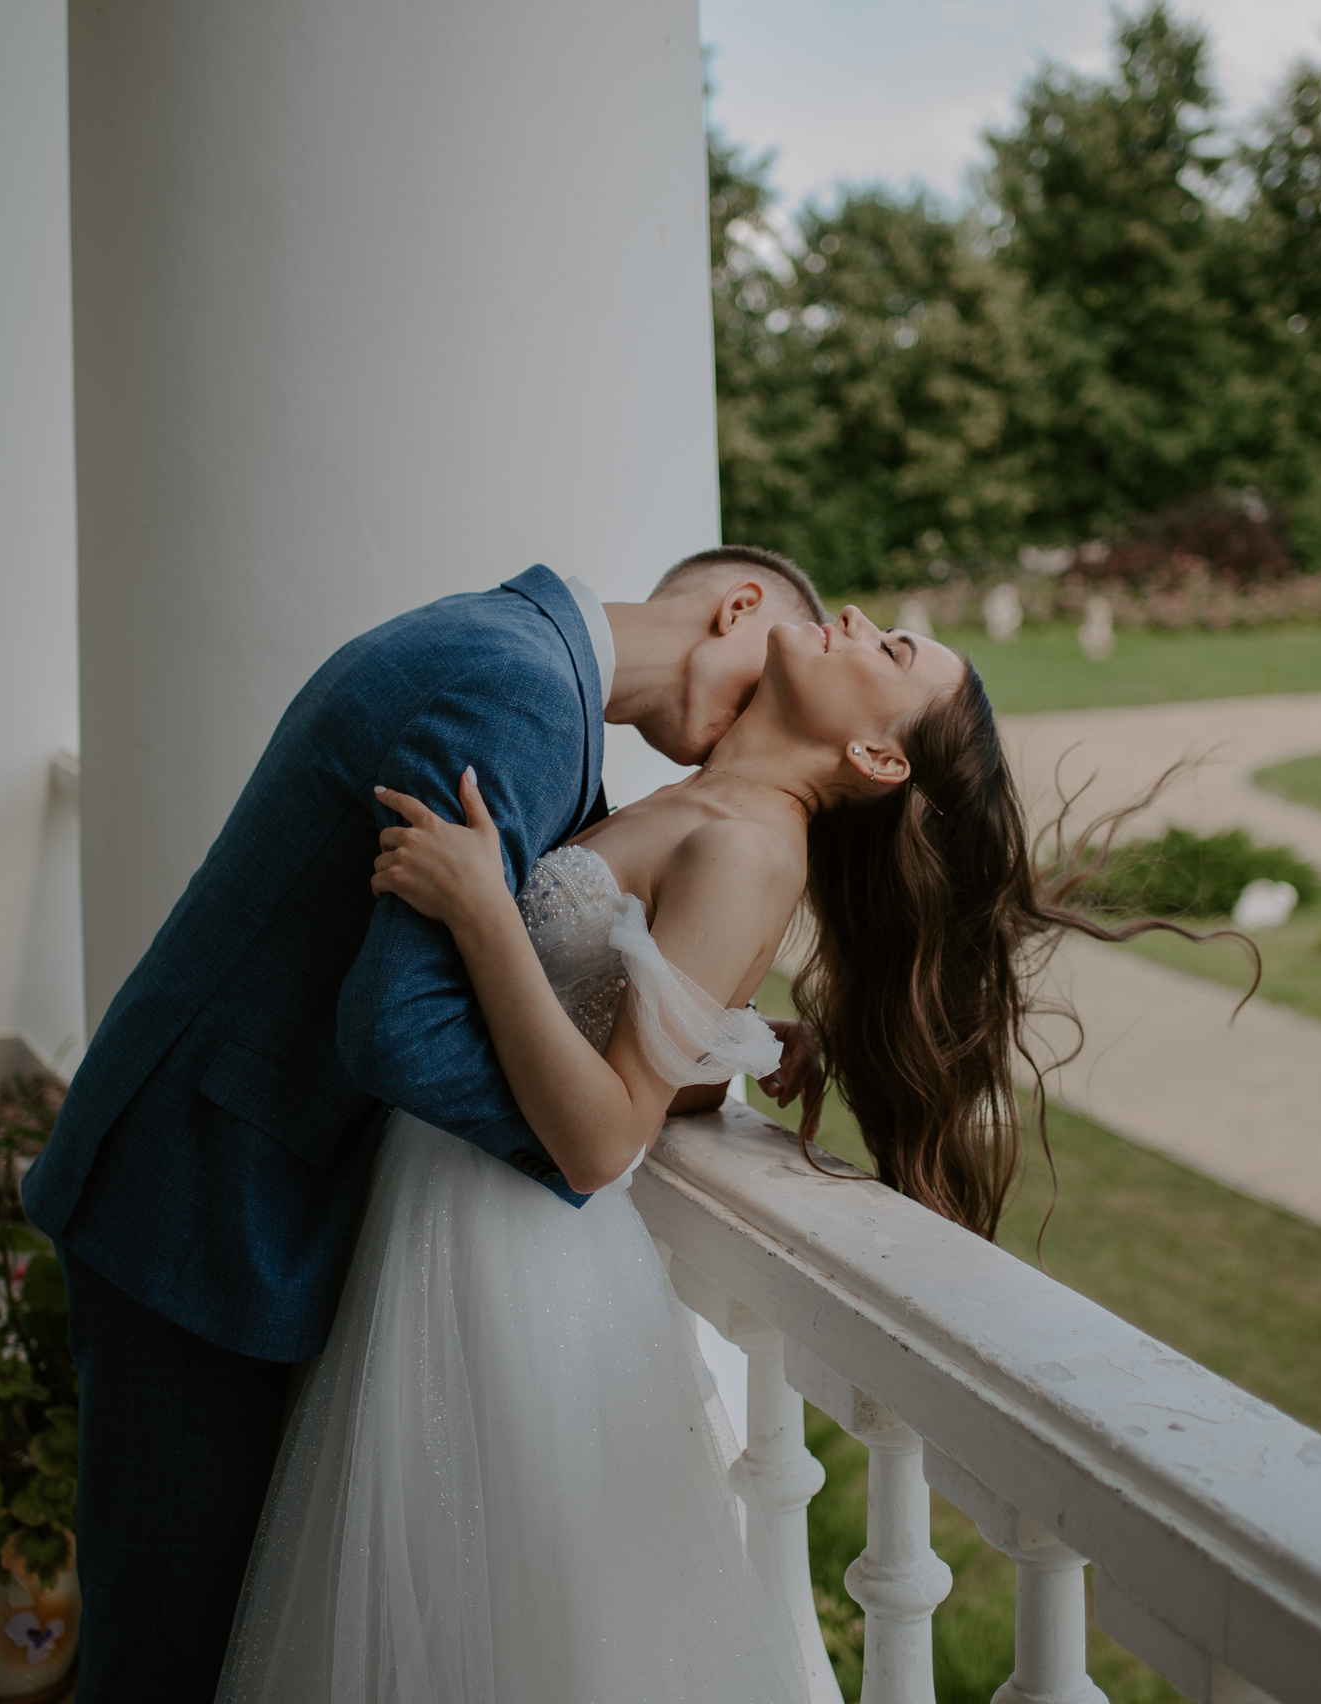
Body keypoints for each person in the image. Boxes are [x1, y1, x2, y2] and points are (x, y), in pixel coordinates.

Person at [218, 602, 1138, 1700]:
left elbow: (602, 1142)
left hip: (506, 1250)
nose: (853, 616)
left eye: (891, 650)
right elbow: (641, 1051)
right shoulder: (714, 807)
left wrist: (483, 913)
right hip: (436, 1214)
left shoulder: (750, 846)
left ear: (877, 755)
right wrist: (734, 1043)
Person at [19, 549, 831, 1703]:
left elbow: (547, 979)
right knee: (165, 1658)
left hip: (227, 1182)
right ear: (736, 608)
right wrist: (581, 1139)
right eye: (759, 690)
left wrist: (713, 1038)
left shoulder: (518, 665)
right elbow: (402, 1024)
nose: (730, 739)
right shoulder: (517, 688)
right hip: (203, 1203)